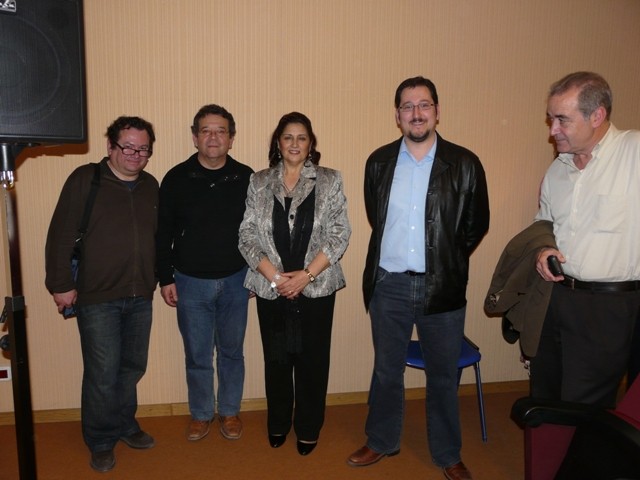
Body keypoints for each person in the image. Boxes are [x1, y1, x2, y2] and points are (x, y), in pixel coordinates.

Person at [347, 76, 489, 480]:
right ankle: (381, 440)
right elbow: (377, 217)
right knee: (386, 371)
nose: (416, 113)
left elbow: (476, 225)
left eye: (424, 104)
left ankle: (447, 453)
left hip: (441, 286)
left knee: (443, 376)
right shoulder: (378, 162)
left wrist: (446, 260)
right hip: (388, 285)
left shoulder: (464, 163)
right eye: (408, 106)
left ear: (437, 111)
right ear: (397, 116)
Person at [45, 116, 159, 473]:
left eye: (143, 149)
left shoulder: (151, 186)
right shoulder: (86, 179)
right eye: (128, 146)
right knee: (103, 373)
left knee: (131, 368)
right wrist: (60, 284)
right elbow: (60, 234)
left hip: (140, 295)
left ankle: (125, 424)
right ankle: (100, 439)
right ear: (110, 146)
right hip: (97, 297)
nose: (135, 154)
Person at [238, 112, 351, 456]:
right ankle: (277, 422)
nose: (294, 144)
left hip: (316, 287)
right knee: (276, 359)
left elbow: (339, 234)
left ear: (311, 143)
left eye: (302, 137)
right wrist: (275, 278)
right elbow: (246, 236)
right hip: (270, 288)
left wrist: (305, 276)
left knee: (312, 361)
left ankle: (308, 426)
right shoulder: (259, 181)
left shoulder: (329, 180)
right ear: (278, 142)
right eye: (288, 137)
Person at [532, 71, 640, 408]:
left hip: (610, 306)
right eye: (551, 119)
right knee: (546, 393)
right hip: (557, 298)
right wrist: (543, 247)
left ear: (597, 115)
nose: (553, 130)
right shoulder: (557, 170)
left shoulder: (634, 152)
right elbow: (543, 224)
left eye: (562, 119)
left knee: (585, 405)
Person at [156, 104, 253, 442]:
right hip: (189, 282)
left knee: (231, 352)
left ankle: (229, 411)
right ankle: (200, 413)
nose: (213, 137)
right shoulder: (175, 179)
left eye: (221, 131)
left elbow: (259, 233)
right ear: (195, 137)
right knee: (197, 356)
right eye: (206, 131)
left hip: (237, 280)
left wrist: (256, 275)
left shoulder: (247, 178)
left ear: (231, 138)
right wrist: (165, 277)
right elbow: (162, 233)